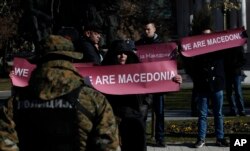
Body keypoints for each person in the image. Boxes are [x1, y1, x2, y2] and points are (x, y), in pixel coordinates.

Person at [0, 35, 120, 151]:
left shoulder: (16, 102)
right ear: (71, 59)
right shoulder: (93, 99)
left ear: (39, 61)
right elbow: (109, 145)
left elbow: (5, 143)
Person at [187, 29, 229, 148]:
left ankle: (220, 138)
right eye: (204, 35)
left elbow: (230, 51)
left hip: (217, 85)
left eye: (208, 35)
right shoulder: (198, 52)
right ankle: (201, 139)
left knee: (218, 113)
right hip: (203, 86)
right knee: (202, 114)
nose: (206, 37)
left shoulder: (219, 49)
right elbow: (192, 67)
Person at [102, 40, 147, 151]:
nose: (122, 56)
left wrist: (145, 104)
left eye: (125, 53)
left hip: (135, 117)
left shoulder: (139, 70)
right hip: (113, 118)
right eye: (119, 53)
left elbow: (155, 86)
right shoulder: (104, 71)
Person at [136, 21, 165, 147]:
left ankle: (160, 138)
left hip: (159, 84)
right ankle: (141, 138)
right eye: (145, 29)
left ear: (154, 29)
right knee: (143, 113)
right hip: (145, 84)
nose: (146, 31)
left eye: (148, 29)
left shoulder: (163, 44)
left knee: (160, 112)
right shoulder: (139, 44)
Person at [224, 46, 247, 116]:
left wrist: (235, 65)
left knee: (237, 92)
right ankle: (235, 110)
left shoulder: (238, 47)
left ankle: (240, 110)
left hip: (235, 72)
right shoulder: (227, 48)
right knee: (231, 92)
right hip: (230, 72)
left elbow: (243, 60)